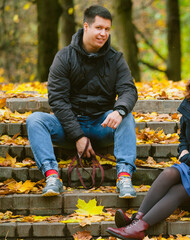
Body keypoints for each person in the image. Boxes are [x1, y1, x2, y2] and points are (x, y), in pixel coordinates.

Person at [106, 67, 190, 239]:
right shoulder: (188, 109)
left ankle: (138, 229)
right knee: (170, 172)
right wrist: (184, 152)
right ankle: (136, 220)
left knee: (178, 190)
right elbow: (183, 139)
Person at [26, 5, 138, 198]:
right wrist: (78, 136)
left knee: (127, 117)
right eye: (99, 28)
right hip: (68, 127)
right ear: (86, 26)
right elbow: (58, 99)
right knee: (35, 120)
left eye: (107, 29)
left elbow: (129, 90)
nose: (103, 34)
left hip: (101, 124)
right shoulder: (64, 57)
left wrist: (119, 111)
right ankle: (52, 177)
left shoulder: (116, 59)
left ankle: (124, 177)